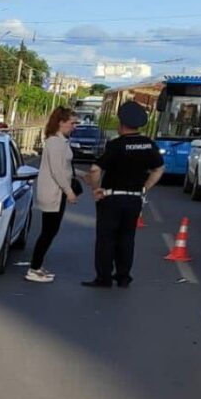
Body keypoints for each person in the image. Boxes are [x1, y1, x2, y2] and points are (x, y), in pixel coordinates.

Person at [83, 100, 165, 288]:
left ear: (121, 124)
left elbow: (95, 170)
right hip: (134, 199)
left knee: (106, 239)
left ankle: (104, 278)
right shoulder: (148, 145)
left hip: (112, 198)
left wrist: (96, 189)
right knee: (127, 238)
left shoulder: (116, 145)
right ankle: (123, 277)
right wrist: (144, 188)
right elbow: (159, 169)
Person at [26, 107, 79, 283]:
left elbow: (64, 167)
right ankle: (34, 268)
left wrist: (81, 175)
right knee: (48, 231)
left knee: (50, 231)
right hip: (53, 193)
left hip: (56, 192)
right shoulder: (55, 142)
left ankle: (37, 265)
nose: (74, 126)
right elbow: (57, 170)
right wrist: (69, 191)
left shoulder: (60, 141)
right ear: (61, 122)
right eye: (72, 123)